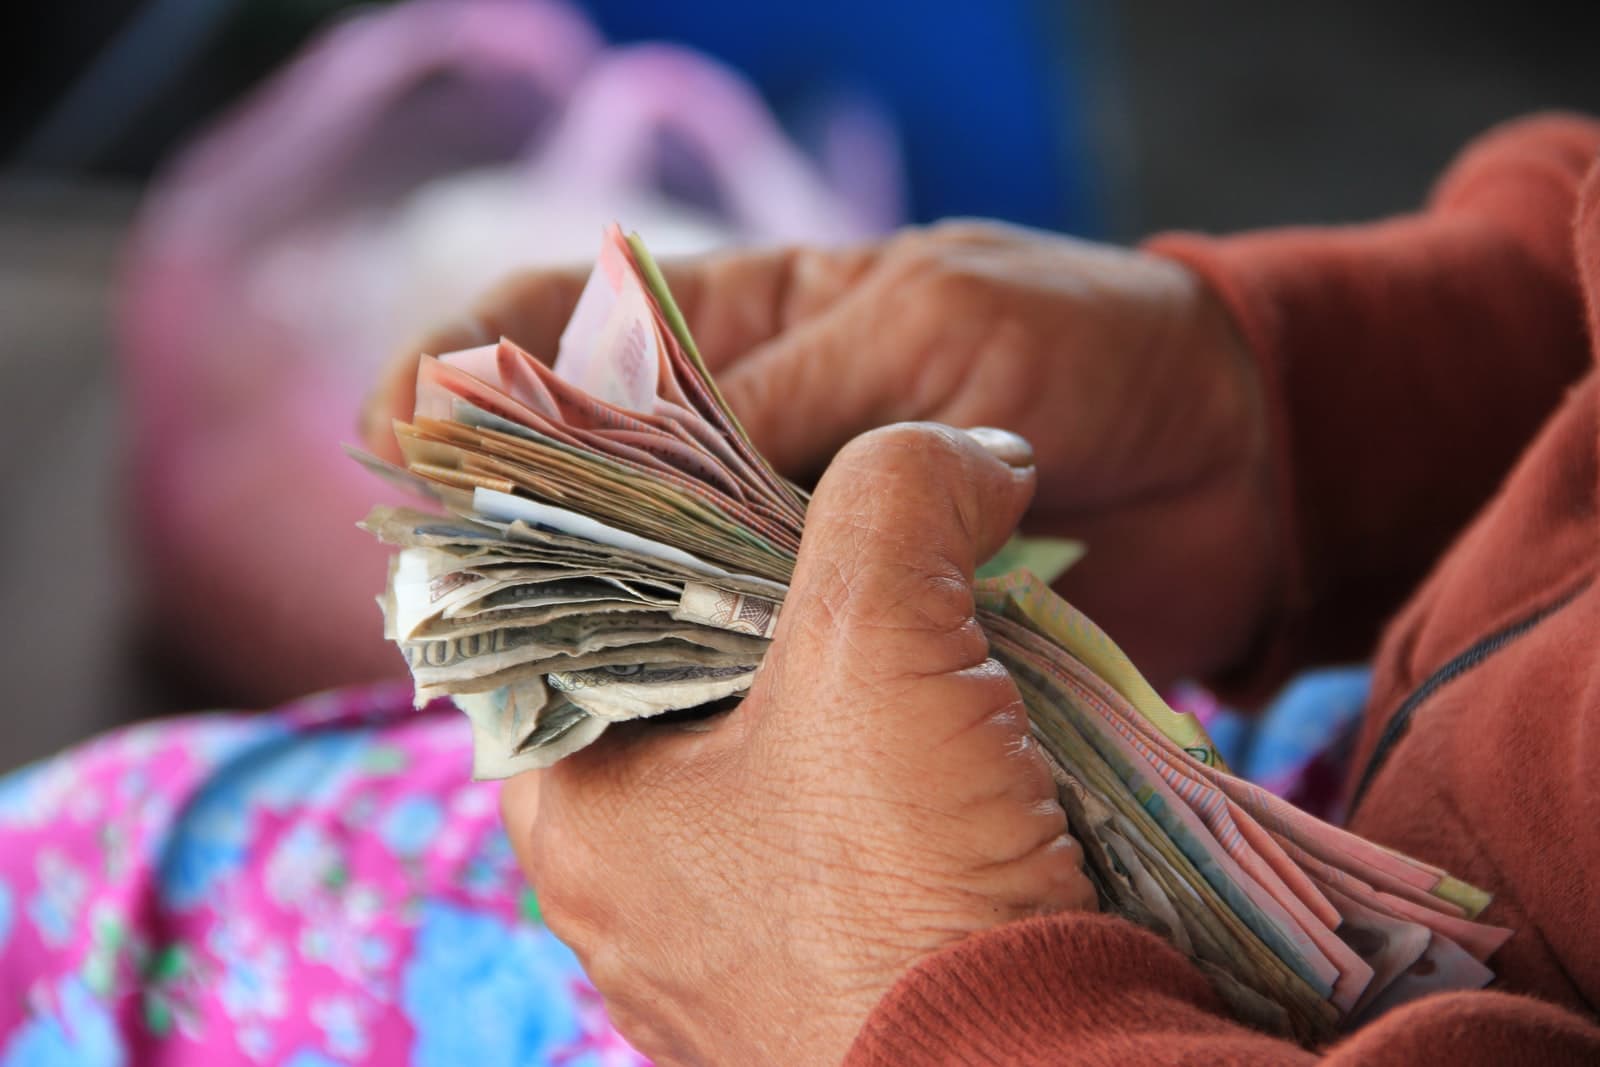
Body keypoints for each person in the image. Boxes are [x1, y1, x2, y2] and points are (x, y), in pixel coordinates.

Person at [2, 113, 1597, 1064]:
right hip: (1344, 761)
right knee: (82, 863)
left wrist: (909, 1020)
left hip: (1054, 1003)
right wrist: (1322, 410)